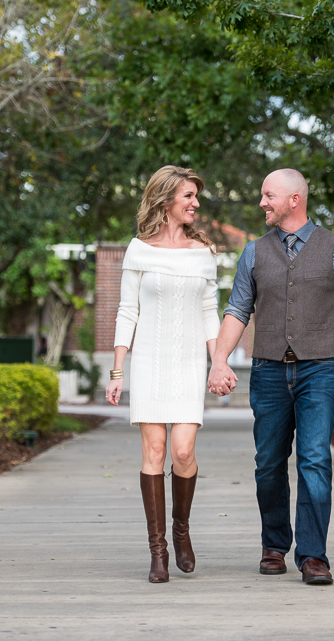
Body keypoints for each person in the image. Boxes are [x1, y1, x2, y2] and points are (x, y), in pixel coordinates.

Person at [208, 168, 334, 586]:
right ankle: (274, 545)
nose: (262, 202)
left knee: (315, 459)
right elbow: (237, 311)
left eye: (268, 195)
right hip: (267, 370)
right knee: (268, 463)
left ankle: (314, 555)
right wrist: (219, 360)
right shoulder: (253, 253)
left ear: (294, 199)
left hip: (320, 370)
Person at [105, 166, 220, 583]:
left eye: (196, 196)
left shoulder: (203, 253)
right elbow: (127, 312)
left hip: (190, 361)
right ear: (167, 199)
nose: (195, 204)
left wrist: (218, 361)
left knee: (183, 452)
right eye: (188, 196)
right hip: (150, 361)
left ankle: (182, 529)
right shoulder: (139, 250)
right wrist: (118, 371)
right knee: (153, 451)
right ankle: (158, 551)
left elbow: (211, 312)